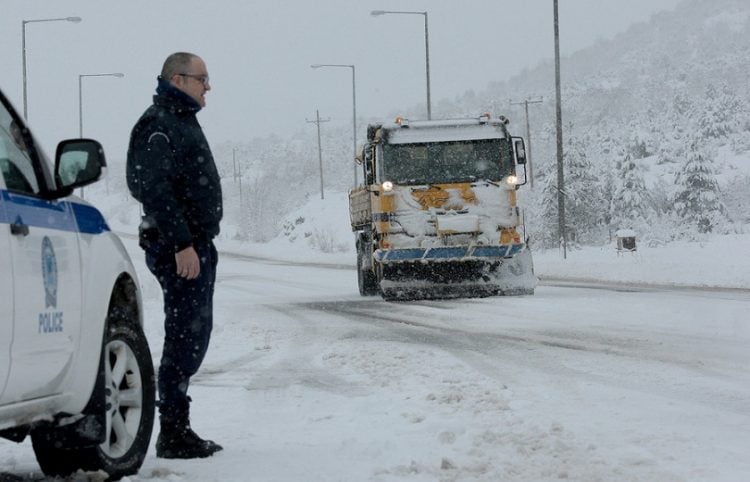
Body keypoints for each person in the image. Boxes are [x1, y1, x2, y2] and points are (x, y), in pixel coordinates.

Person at [126, 52, 223, 459]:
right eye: (203, 79)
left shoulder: (179, 119)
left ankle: (177, 426)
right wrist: (182, 243)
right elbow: (154, 188)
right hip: (179, 247)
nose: (208, 88)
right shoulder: (160, 124)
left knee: (193, 333)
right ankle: (173, 431)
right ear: (178, 79)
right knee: (185, 334)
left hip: (194, 243)